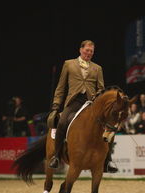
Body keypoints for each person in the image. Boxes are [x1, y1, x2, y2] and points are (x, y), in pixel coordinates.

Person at [48, 40, 117, 173]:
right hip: (74, 102)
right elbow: (61, 87)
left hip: (91, 103)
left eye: (91, 51)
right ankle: (56, 156)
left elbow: (101, 88)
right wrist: (56, 105)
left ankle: (108, 161)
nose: (89, 53)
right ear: (81, 50)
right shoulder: (69, 64)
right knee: (62, 122)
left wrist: (98, 95)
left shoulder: (97, 68)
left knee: (108, 126)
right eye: (87, 50)